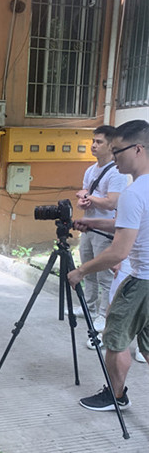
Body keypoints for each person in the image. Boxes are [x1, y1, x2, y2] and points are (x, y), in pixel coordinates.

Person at [68, 120, 149, 411]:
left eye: (118, 151)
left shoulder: (133, 193)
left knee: (115, 339)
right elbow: (128, 224)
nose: (114, 158)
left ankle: (116, 396)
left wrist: (80, 271)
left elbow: (118, 251)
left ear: (138, 149)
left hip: (141, 281)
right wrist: (92, 223)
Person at [74, 126, 128, 335]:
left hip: (105, 229)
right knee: (87, 268)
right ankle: (88, 307)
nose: (94, 145)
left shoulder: (116, 173)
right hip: (88, 226)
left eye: (99, 142)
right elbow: (85, 196)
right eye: (93, 141)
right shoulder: (90, 170)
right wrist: (83, 201)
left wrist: (88, 197)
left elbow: (111, 202)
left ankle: (103, 315)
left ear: (111, 145)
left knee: (105, 274)